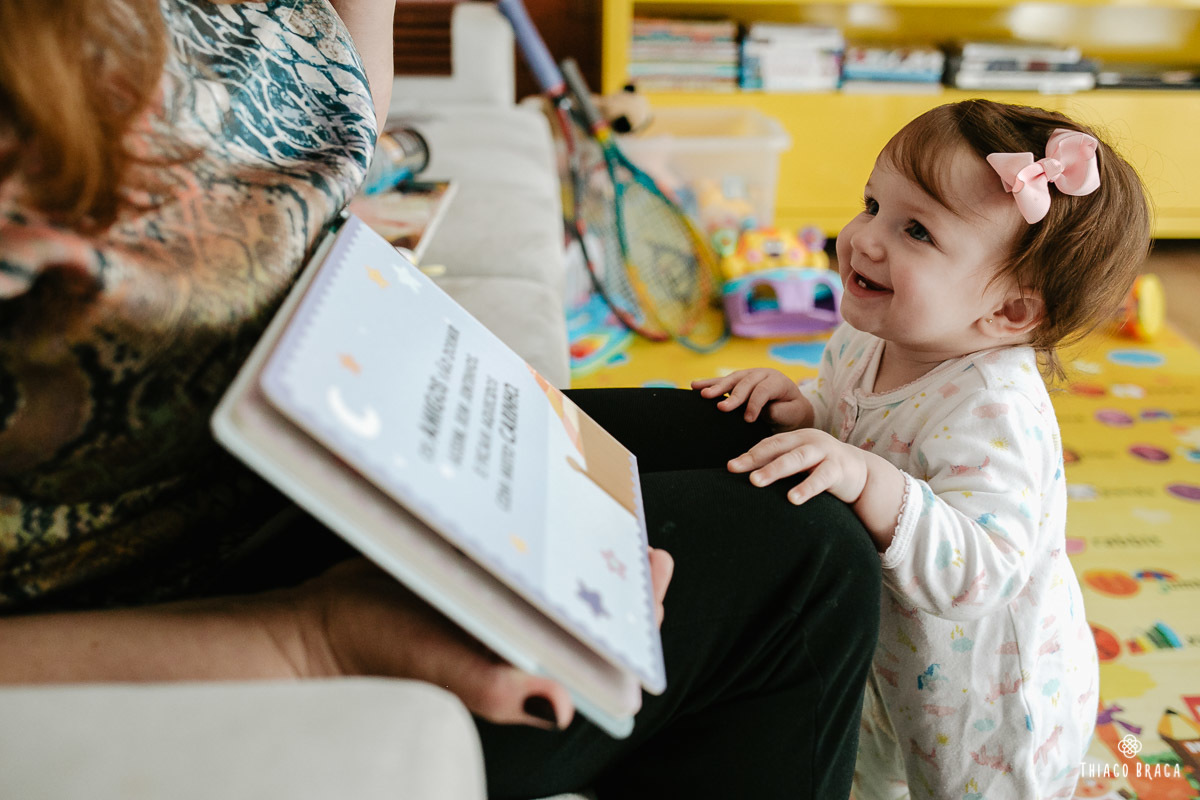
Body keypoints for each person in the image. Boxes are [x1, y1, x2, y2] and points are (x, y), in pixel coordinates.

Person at [0, 1, 881, 797]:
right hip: (164, 600)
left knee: (743, 432)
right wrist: (314, 637)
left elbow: (320, 113)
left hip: (300, 429)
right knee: (807, 562)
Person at [693, 99, 1151, 799]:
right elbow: (860, 425)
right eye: (872, 203)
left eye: (915, 230)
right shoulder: (871, 331)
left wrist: (865, 477)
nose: (864, 240)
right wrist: (806, 411)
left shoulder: (993, 409)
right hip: (889, 658)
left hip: (984, 708)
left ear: (1008, 312)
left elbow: (984, 571)